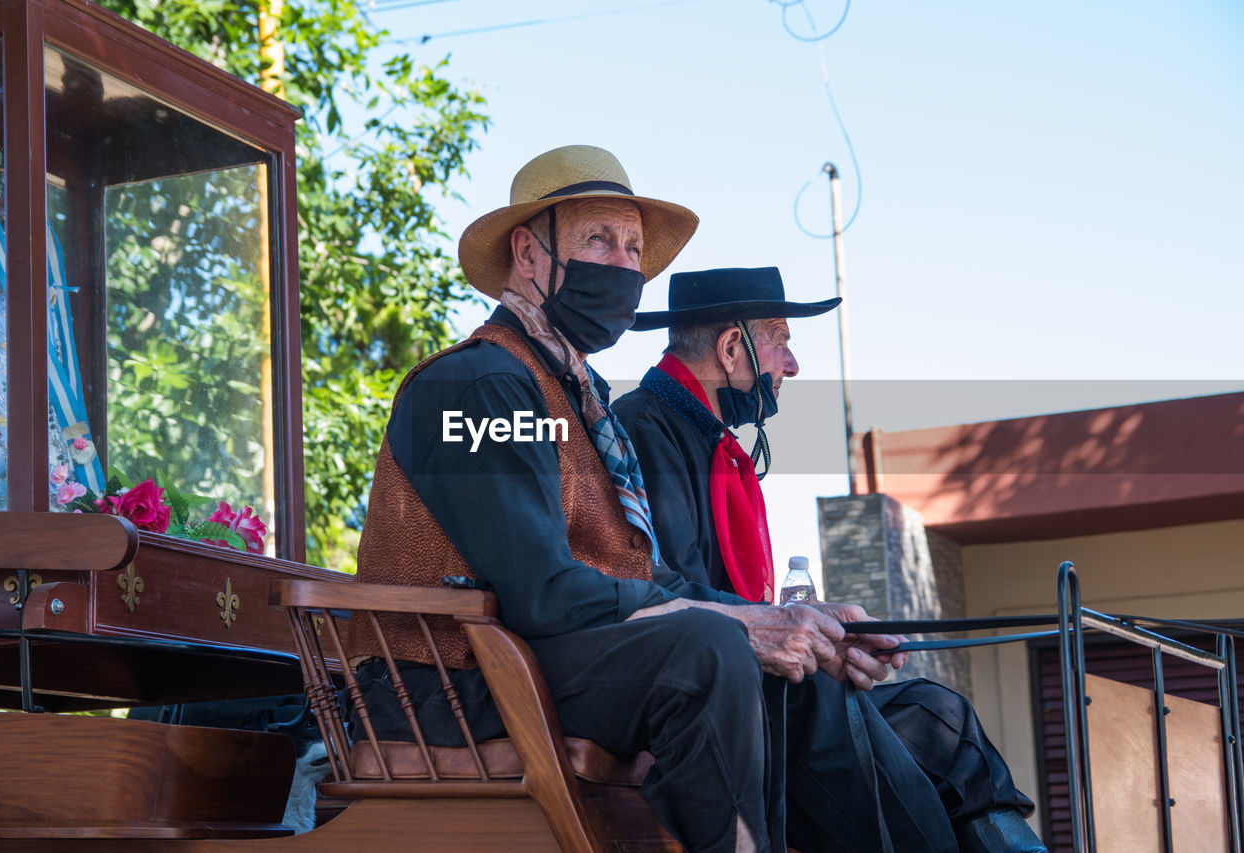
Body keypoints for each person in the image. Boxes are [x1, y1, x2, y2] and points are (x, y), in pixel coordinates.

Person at [343, 144, 1018, 852]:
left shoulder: (578, 400)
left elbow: (643, 577)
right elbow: (540, 589)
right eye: (600, 239)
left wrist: (794, 622)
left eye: (634, 247)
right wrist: (737, 624)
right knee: (708, 652)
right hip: (442, 686)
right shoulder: (479, 387)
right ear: (528, 253)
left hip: (525, 663)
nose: (624, 264)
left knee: (798, 671)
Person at [612, 266, 1046, 851]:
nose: (791, 365)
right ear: (733, 346)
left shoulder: (709, 438)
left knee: (939, 715)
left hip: (760, 678)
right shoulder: (645, 427)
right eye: (782, 340)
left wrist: (825, 633)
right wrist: (804, 640)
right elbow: (676, 596)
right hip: (714, 699)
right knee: (877, 747)